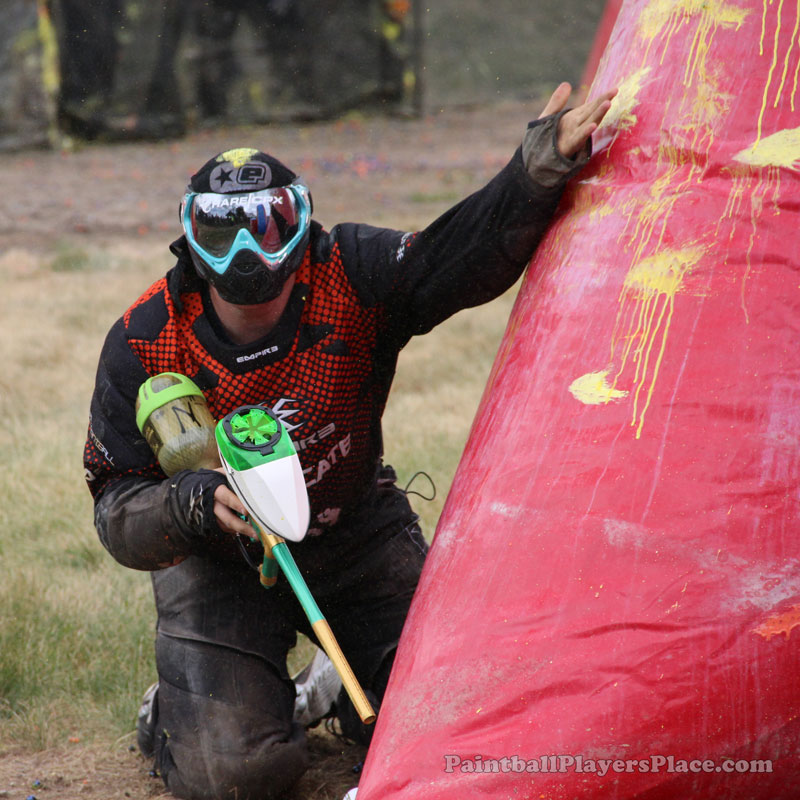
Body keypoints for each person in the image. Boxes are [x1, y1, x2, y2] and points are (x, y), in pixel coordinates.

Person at [83, 83, 615, 800]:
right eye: (222, 231)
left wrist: (534, 171)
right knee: (237, 778)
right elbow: (116, 505)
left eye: (268, 224)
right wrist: (193, 504)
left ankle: (336, 685)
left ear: (301, 226)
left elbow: (454, 260)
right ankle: (177, 715)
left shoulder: (351, 272)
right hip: (222, 564)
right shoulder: (146, 339)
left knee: (465, 727)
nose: (247, 250)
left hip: (356, 535)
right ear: (191, 241)